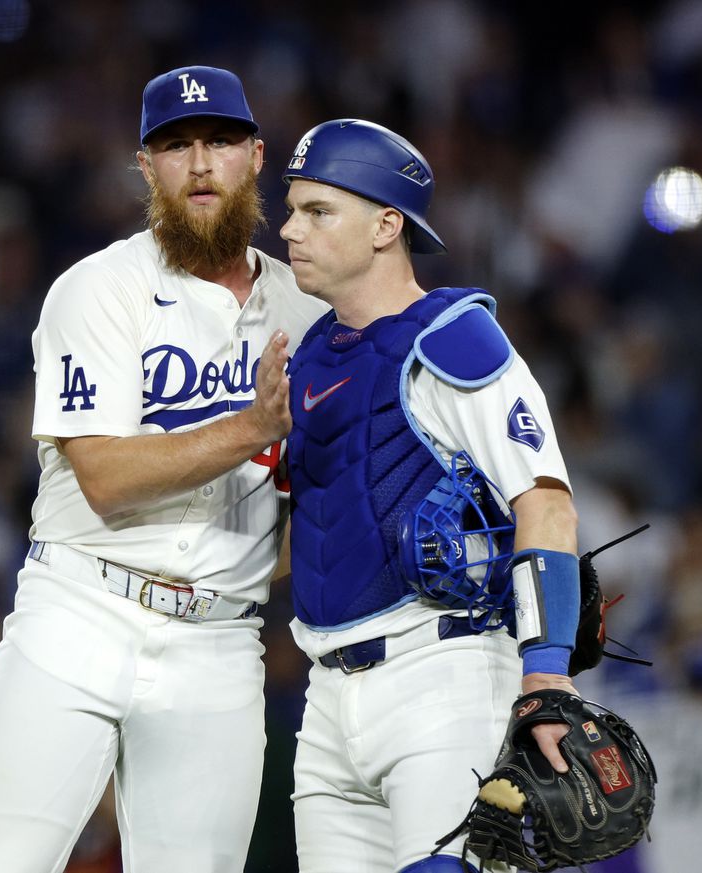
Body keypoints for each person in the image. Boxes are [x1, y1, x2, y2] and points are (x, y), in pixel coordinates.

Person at [0, 66, 327, 873]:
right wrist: (251, 426)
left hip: (219, 642)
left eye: (218, 141)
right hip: (80, 610)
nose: (200, 163)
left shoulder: (309, 312)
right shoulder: (98, 289)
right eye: (175, 146)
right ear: (147, 169)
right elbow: (107, 477)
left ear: (256, 157)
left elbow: (317, 508)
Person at [279, 119, 583, 873]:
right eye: (291, 208)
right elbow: (320, 526)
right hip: (326, 701)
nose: (289, 228)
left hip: (440, 675)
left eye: (318, 210)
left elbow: (545, 503)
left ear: (387, 225)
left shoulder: (454, 338)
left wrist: (546, 677)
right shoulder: (312, 352)